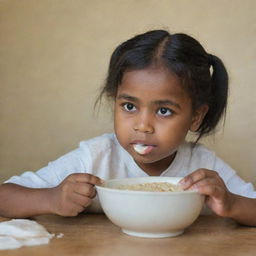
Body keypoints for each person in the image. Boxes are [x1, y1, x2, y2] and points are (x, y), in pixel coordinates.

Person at [0, 30, 255, 225]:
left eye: (164, 111)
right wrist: (51, 199)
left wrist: (231, 203)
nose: (143, 126)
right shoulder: (97, 157)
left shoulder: (202, 168)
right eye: (129, 107)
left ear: (196, 117)